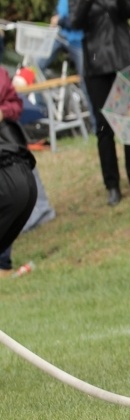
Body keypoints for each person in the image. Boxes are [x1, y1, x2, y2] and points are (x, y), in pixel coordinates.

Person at [69, 0, 130, 206]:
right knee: (104, 127)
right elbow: (75, 22)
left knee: (129, 120)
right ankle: (112, 185)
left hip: (124, 58)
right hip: (96, 62)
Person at [0, 67, 38, 270]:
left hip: (7, 145)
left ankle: (3, 262)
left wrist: (3, 112)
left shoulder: (1, 74)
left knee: (16, 197)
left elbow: (16, 105)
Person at [43, 0, 96, 133]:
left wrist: (60, 20)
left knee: (86, 81)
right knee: (35, 64)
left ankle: (96, 126)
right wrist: (55, 18)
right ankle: (40, 111)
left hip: (78, 40)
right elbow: (60, 10)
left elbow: (77, 19)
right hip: (59, 36)